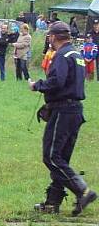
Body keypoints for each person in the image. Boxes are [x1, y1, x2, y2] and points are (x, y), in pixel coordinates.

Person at [28, 21, 96, 216]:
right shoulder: (77, 55)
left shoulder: (61, 55)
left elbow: (57, 82)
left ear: (54, 37)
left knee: (51, 156)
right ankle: (52, 202)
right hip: (75, 110)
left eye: (49, 36)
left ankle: (83, 191)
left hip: (63, 110)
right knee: (61, 157)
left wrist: (37, 86)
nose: (48, 39)